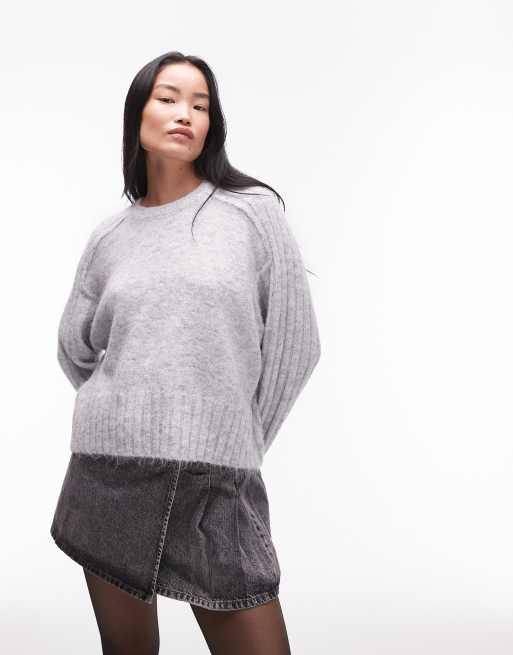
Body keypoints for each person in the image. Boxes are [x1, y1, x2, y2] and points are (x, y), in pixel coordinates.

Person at [50, 50, 321, 655]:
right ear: (138, 114)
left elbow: (296, 346)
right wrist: (124, 406)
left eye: (201, 105)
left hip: (214, 480)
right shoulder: (110, 236)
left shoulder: (251, 213)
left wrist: (235, 441)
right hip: (108, 474)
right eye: (169, 98)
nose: (185, 114)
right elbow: (75, 349)